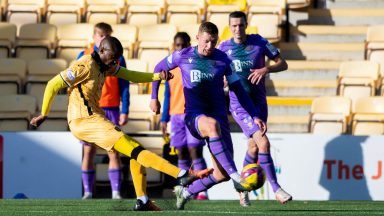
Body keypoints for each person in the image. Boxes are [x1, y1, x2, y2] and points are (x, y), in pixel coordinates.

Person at [30, 36, 212, 211]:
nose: (115, 62)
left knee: (135, 152)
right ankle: (181, 175)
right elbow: (52, 84)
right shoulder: (84, 65)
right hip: (84, 120)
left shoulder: (105, 66)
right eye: (112, 58)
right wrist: (44, 114)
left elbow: (130, 75)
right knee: (134, 148)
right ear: (101, 50)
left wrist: (158, 77)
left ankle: (142, 199)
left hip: (94, 118)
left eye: (117, 59)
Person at [150, 22, 266, 210]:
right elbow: (157, 68)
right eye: (206, 41)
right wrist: (154, 97)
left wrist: (254, 115)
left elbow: (238, 89)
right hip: (194, 117)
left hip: (220, 119)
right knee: (212, 127)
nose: (209, 46)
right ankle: (238, 177)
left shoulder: (223, 60)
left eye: (213, 42)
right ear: (197, 38)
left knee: (221, 174)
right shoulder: (183, 55)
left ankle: (185, 192)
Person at [218, 11, 292, 206]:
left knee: (253, 146)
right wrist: (222, 80)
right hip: (239, 105)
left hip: (259, 103)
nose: (237, 29)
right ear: (229, 26)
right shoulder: (224, 47)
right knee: (263, 143)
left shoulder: (259, 43)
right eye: (233, 26)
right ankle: (277, 190)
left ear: (246, 25)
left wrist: (266, 69)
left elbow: (283, 64)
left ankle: (241, 189)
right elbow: (216, 72)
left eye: (240, 25)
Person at [77, 22, 128, 200]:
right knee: (88, 151)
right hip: (90, 110)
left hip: (111, 108)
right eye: (102, 36)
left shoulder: (118, 57)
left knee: (113, 150)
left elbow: (124, 85)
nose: (104, 39)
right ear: (95, 37)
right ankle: (88, 192)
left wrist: (125, 109)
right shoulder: (83, 56)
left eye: (107, 36)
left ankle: (116, 192)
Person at [161, 32, 209, 200]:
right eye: (177, 45)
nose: (180, 48)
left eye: (183, 45)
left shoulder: (196, 63)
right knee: (181, 153)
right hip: (175, 116)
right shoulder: (171, 67)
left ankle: (202, 190)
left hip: (193, 114)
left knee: (195, 151)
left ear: (190, 44)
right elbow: (167, 94)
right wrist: (163, 119)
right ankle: (185, 187)